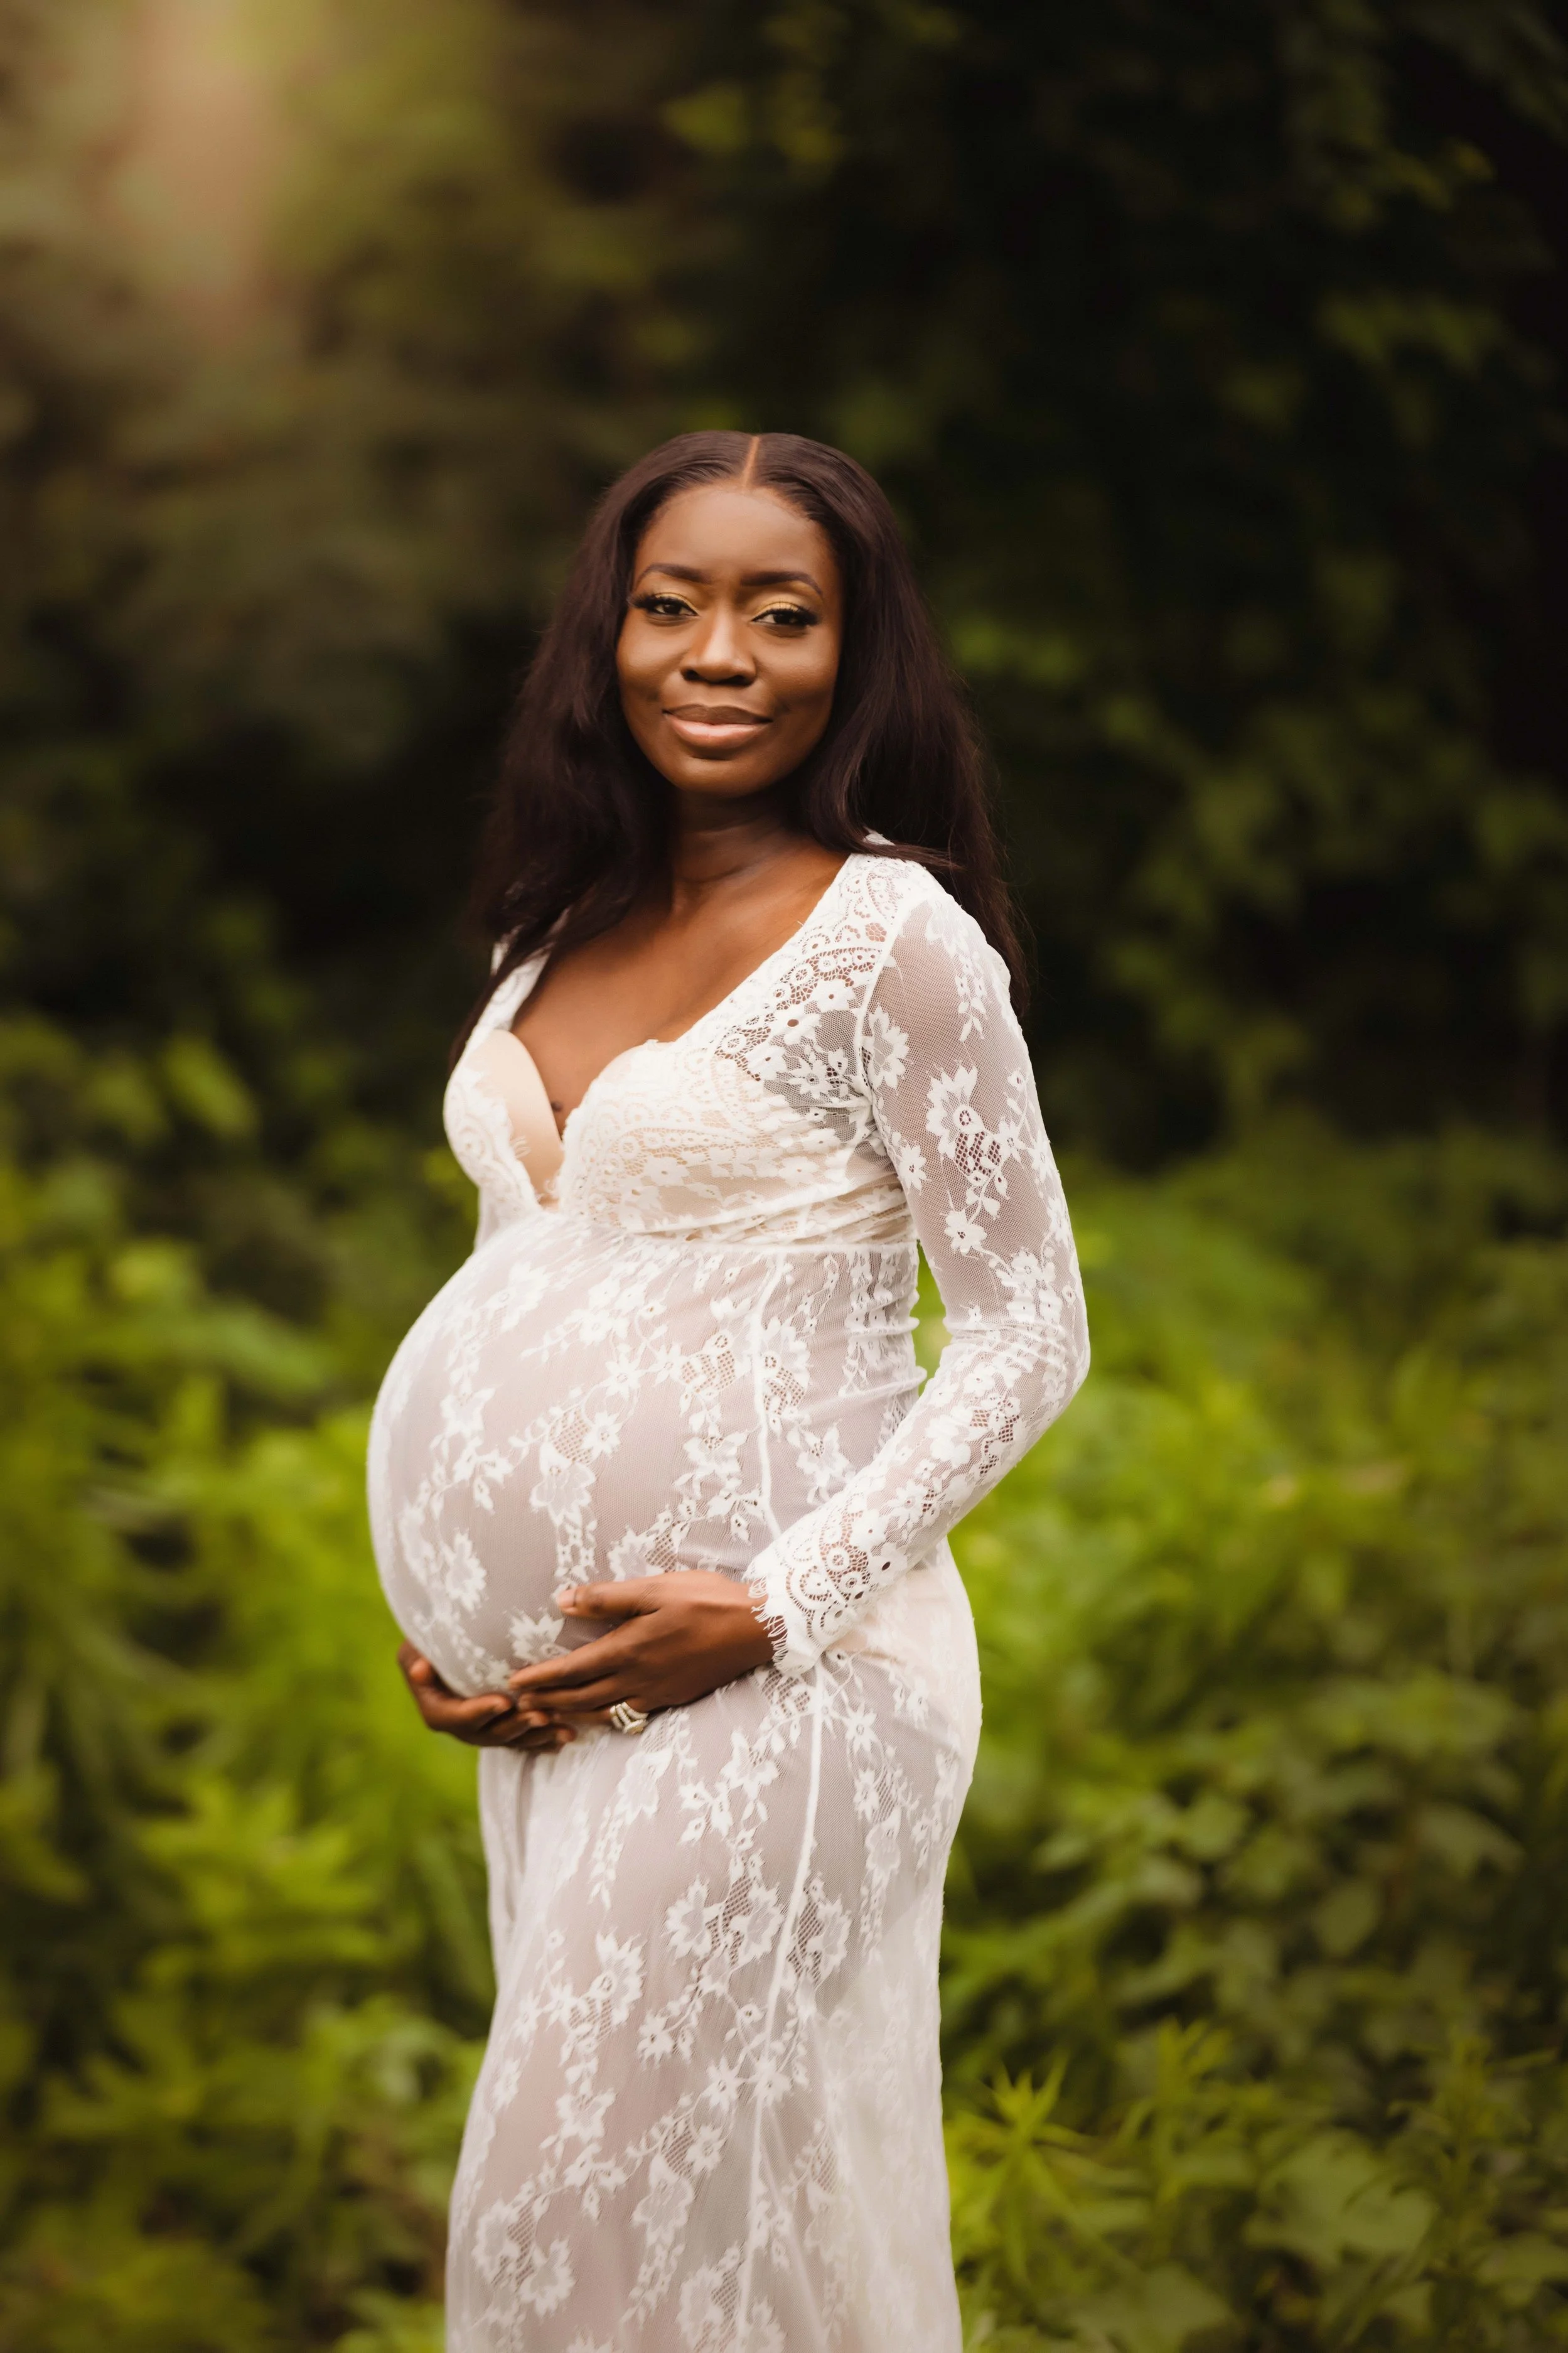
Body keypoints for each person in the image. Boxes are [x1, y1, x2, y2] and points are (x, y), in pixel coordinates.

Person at [369, 429, 1090, 2352]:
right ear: (606, 633)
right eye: (670, 604)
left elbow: (1029, 1329)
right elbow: (524, 1259)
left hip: (789, 1674)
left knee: (561, 2223)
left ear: (855, 654)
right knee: (703, 2254)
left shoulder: (894, 940)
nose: (716, 653)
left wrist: (772, 1604)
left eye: (782, 614)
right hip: (572, 1707)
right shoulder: (553, 923)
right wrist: (471, 1598)